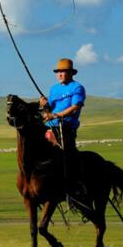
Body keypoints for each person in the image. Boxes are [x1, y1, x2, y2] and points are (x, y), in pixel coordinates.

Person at [39, 58, 86, 198]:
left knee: (67, 156)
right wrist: (44, 104)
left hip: (65, 128)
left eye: (63, 71)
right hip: (49, 127)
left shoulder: (77, 88)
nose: (60, 74)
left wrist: (55, 115)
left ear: (71, 73)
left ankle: (75, 185)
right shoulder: (54, 88)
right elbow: (49, 108)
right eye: (58, 72)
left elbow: (75, 107)